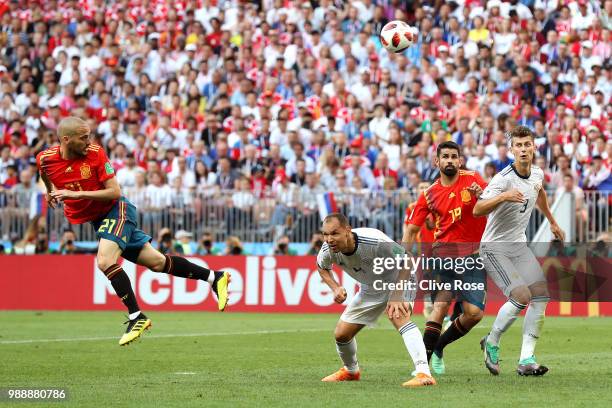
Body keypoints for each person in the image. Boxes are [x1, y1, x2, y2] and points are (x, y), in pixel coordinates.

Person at [36, 117, 231, 346]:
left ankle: (136, 316)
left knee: (105, 260)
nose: (89, 141)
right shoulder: (45, 159)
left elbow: (114, 192)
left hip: (116, 211)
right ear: (66, 140)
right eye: (83, 137)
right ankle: (214, 277)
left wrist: (75, 195)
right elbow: (45, 173)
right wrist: (51, 192)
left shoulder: (95, 153)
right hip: (98, 220)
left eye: (89, 135)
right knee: (158, 263)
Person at [474, 125, 565, 376]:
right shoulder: (503, 179)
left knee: (541, 295)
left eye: (528, 145)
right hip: (494, 248)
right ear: (511, 149)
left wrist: (552, 221)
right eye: (519, 145)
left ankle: (526, 359)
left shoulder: (536, 173)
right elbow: (478, 209)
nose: (523, 149)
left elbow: (539, 192)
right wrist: (503, 197)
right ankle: (491, 341)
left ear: (534, 147)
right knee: (522, 295)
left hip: (518, 245)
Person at [317, 213, 436, 388]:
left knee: (398, 316)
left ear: (348, 231)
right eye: (325, 234)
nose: (329, 239)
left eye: (334, 233)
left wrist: (396, 295)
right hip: (370, 288)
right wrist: (335, 287)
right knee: (341, 334)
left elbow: (407, 259)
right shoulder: (327, 250)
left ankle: (424, 373)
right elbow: (322, 267)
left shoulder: (374, 240)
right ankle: (351, 371)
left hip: (400, 279)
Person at [404, 141, 487, 375]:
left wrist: (482, 196)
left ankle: (439, 346)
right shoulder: (428, 194)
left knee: (474, 314)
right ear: (437, 161)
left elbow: (490, 201)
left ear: (460, 160)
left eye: (454, 156)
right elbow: (411, 229)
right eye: (445, 157)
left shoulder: (474, 179)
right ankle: (422, 369)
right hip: (443, 258)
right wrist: (403, 258)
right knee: (439, 307)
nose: (450, 160)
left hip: (472, 257)